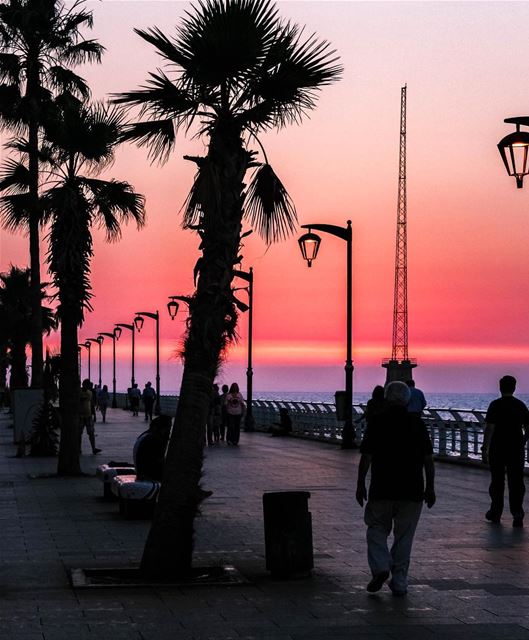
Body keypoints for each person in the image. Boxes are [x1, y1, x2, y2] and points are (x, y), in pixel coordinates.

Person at [356, 381, 435, 596]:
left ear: (387, 399)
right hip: (412, 489)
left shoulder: (377, 423)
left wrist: (360, 483)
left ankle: (381, 565)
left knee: (376, 528)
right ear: (408, 399)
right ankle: (399, 580)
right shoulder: (418, 425)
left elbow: (366, 457)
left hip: (382, 487)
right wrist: (431, 488)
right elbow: (428, 460)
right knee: (405, 535)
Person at [482, 375, 529, 527]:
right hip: (516, 449)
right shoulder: (520, 405)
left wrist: (485, 448)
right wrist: (522, 442)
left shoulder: (495, 405)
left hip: (498, 448)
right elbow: (528, 428)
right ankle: (517, 513)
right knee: (516, 482)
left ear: (500, 387)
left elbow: (490, 428)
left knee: (497, 482)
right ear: (514, 388)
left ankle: (495, 512)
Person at [133, 415, 172, 481]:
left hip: (141, 473)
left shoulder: (146, 435)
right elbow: (158, 464)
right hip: (148, 476)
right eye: (168, 428)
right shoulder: (155, 439)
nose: (169, 431)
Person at [79, 379, 101, 455]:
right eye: (88, 385)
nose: (89, 386)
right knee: (79, 433)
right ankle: (79, 449)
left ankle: (93, 448)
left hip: (88, 416)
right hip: (80, 416)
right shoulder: (78, 392)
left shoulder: (90, 393)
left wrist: (94, 415)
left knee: (91, 433)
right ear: (83, 384)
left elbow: (91, 404)